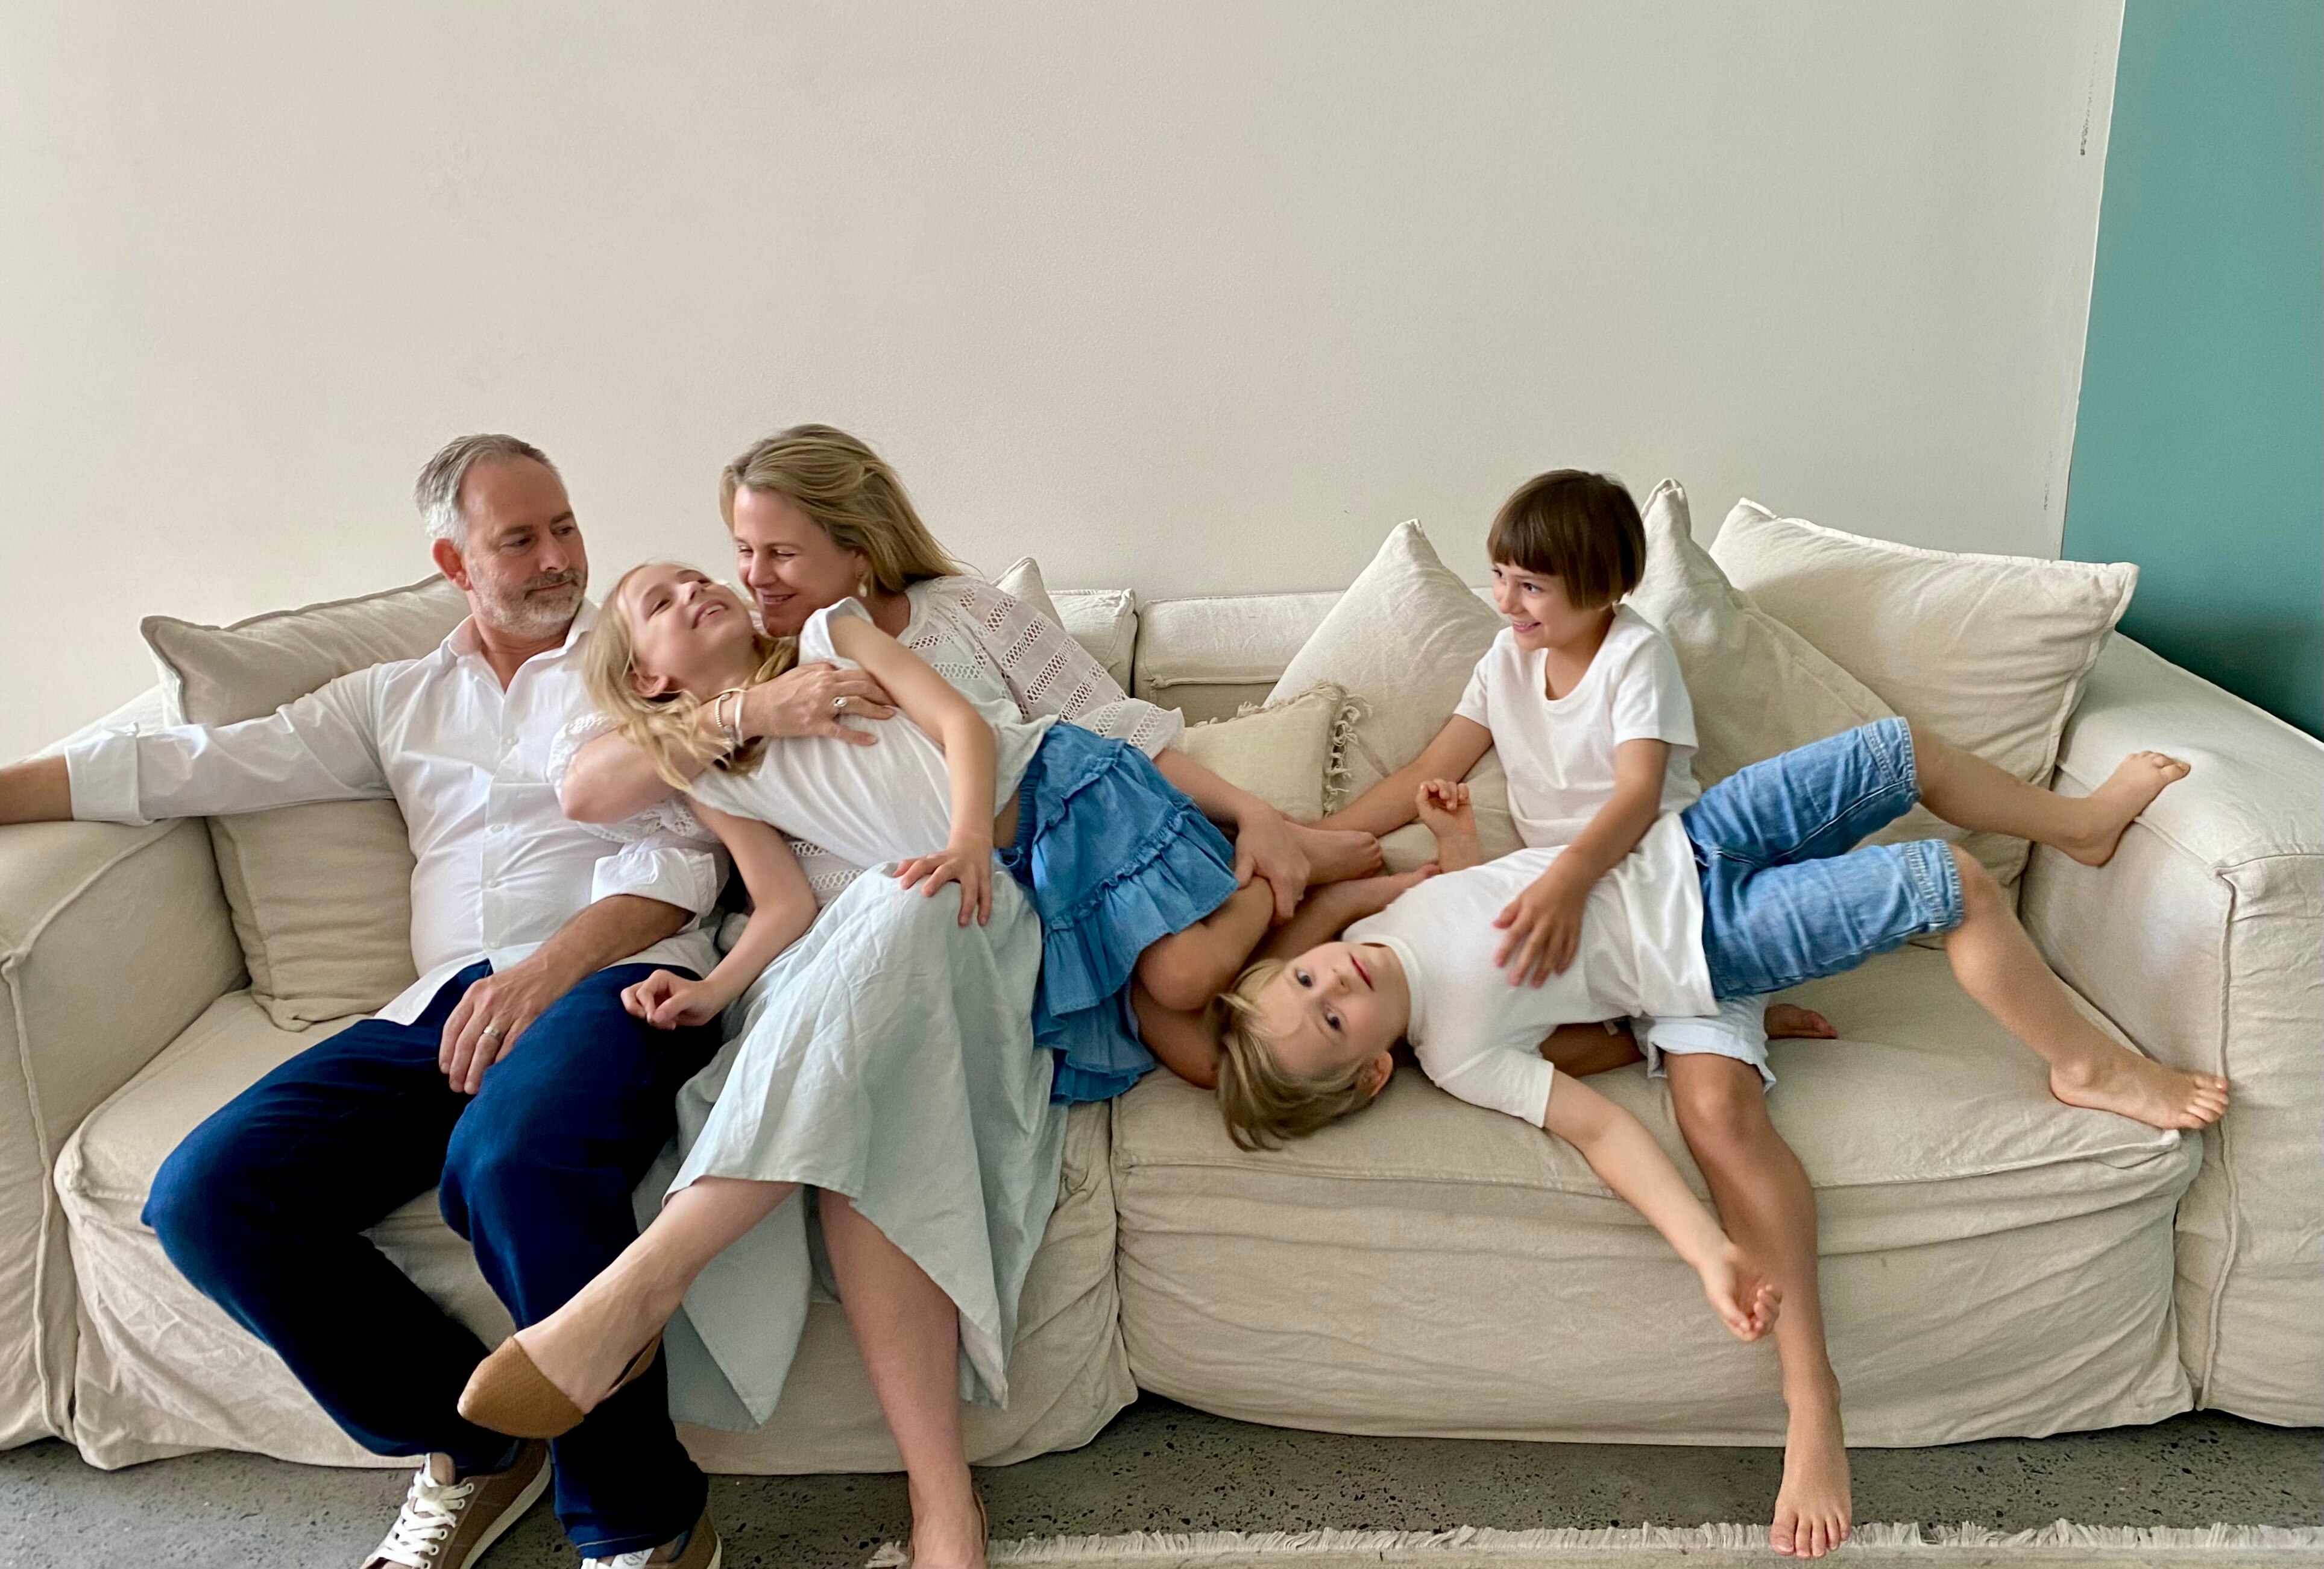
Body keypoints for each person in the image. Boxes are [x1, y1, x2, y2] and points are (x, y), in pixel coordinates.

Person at [1292, 470, 2225, 1561]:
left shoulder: (1634, 652)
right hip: (1676, 944)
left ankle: (2075, 837)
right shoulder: (1501, 670)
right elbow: (1419, 777)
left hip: (1686, 848)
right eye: (1500, 578)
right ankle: (1813, 1401)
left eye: (1532, 586)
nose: (1507, 603)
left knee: (1896, 752)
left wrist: (1552, 879)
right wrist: (1299, 840)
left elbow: (1639, 795)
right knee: (1726, 1113)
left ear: (1603, 587)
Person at [0, 435, 757, 1569]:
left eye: (565, 527)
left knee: (514, 1165)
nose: (559, 557)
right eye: (521, 539)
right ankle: (468, 1439)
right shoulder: (395, 698)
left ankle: (643, 1521)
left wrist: (546, 970)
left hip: (608, 982)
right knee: (209, 1194)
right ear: (457, 563)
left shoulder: (633, 655)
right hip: (435, 1010)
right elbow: (186, 763)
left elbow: (688, 856)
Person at [456, 557, 1392, 1444]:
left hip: (1028, 843)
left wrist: (967, 842)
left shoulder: (833, 634)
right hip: (957, 894)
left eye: (698, 574)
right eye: (661, 602)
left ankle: (642, 1287)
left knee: (1150, 972)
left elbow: (967, 728)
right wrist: (710, 989)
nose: (700, 584)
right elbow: (776, 901)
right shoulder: (709, 772)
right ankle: (647, 1298)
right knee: (1179, 1022)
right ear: (653, 681)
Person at [555, 425, 1375, 924]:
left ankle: (1307, 853)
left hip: (1013, 873)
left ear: (858, 552)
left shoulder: (952, 616)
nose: (750, 577)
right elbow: (591, 789)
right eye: (742, 551)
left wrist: (1254, 813)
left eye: (780, 554)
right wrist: (747, 711)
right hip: (899, 918)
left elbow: (1108, 736)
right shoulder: (752, 678)